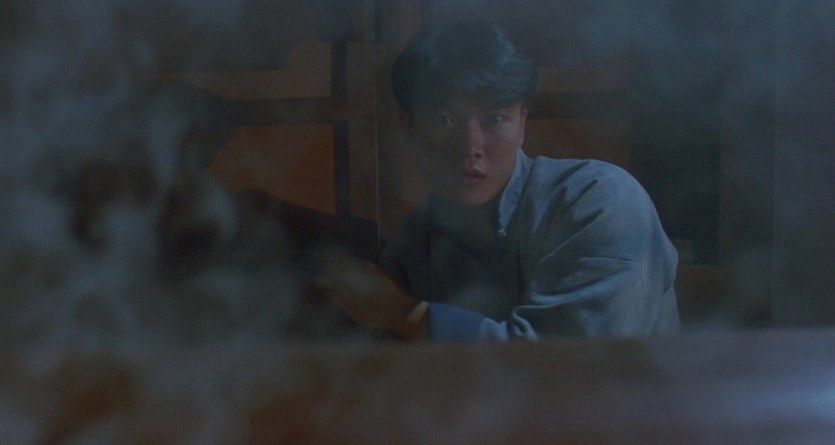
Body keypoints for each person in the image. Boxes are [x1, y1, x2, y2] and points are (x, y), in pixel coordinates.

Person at [315, 21, 679, 341]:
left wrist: (406, 314)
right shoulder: (415, 243)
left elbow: (571, 367)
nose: (470, 147)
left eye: (495, 119)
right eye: (444, 120)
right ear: (409, 128)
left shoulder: (599, 201)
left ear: (522, 124)